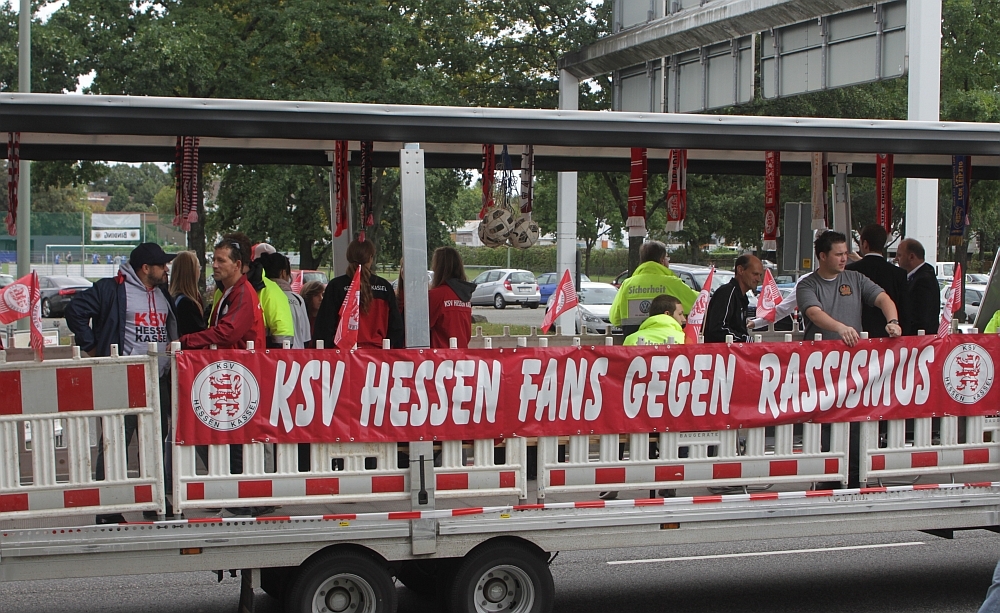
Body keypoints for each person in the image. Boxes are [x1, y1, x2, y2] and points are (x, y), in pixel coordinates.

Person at [64, 242, 179, 523]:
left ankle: (154, 501)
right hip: (126, 377)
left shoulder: (162, 292)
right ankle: (107, 506)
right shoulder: (112, 288)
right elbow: (75, 311)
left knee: (154, 439)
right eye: (161, 265)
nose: (166, 269)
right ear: (145, 268)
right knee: (116, 440)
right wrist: (92, 346)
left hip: (158, 377)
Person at [796, 230, 902, 346]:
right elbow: (814, 313)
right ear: (823, 256)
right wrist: (840, 328)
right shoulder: (806, 285)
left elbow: (883, 298)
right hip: (820, 355)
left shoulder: (856, 278)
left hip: (853, 355)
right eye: (838, 255)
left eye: (845, 253)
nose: (844, 259)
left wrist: (893, 322)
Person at [315, 239, 404, 349]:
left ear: (348, 256)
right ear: (370, 258)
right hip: (377, 354)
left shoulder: (336, 286)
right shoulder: (384, 286)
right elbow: (397, 327)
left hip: (344, 354)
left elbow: (324, 326)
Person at [179, 237, 265, 350]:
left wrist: (186, 341)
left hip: (241, 364)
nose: (214, 265)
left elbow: (227, 332)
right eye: (213, 260)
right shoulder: (231, 291)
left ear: (237, 265)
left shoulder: (243, 294)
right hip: (234, 363)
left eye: (221, 260)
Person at [609, 240, 699, 338]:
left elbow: (615, 319)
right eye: (667, 258)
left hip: (634, 345)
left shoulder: (627, 285)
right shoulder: (672, 283)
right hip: (668, 344)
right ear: (662, 260)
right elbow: (700, 303)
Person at [846, 224, 908, 338]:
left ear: (865, 244)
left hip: (856, 334)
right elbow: (904, 308)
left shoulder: (850, 270)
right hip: (890, 335)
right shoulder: (899, 274)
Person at [703, 254, 763, 343]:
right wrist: (745, 340)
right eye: (755, 274)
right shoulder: (727, 292)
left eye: (760, 275)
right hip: (720, 354)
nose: (759, 279)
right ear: (740, 270)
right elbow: (718, 328)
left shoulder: (741, 297)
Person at [259, 251, 311, 349]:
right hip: (297, 358)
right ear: (283, 273)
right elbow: (305, 338)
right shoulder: (297, 299)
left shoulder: (260, 296)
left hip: (269, 356)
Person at [427, 247, 475, 348]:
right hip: (461, 354)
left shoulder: (437, 295)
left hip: (440, 357)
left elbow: (422, 327)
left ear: (438, 268)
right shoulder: (464, 294)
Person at [895, 238, 941, 334]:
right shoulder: (918, 276)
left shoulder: (924, 280)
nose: (896, 259)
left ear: (911, 257)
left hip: (919, 339)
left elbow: (921, 316)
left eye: (899, 255)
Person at [168, 251, 206, 337]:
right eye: (198, 267)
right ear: (191, 272)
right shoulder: (187, 304)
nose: (199, 271)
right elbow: (198, 336)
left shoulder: (172, 298)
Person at [300, 281, 325, 345]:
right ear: (308, 297)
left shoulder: (326, 319)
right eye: (316, 295)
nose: (321, 298)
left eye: (323, 295)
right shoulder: (301, 318)